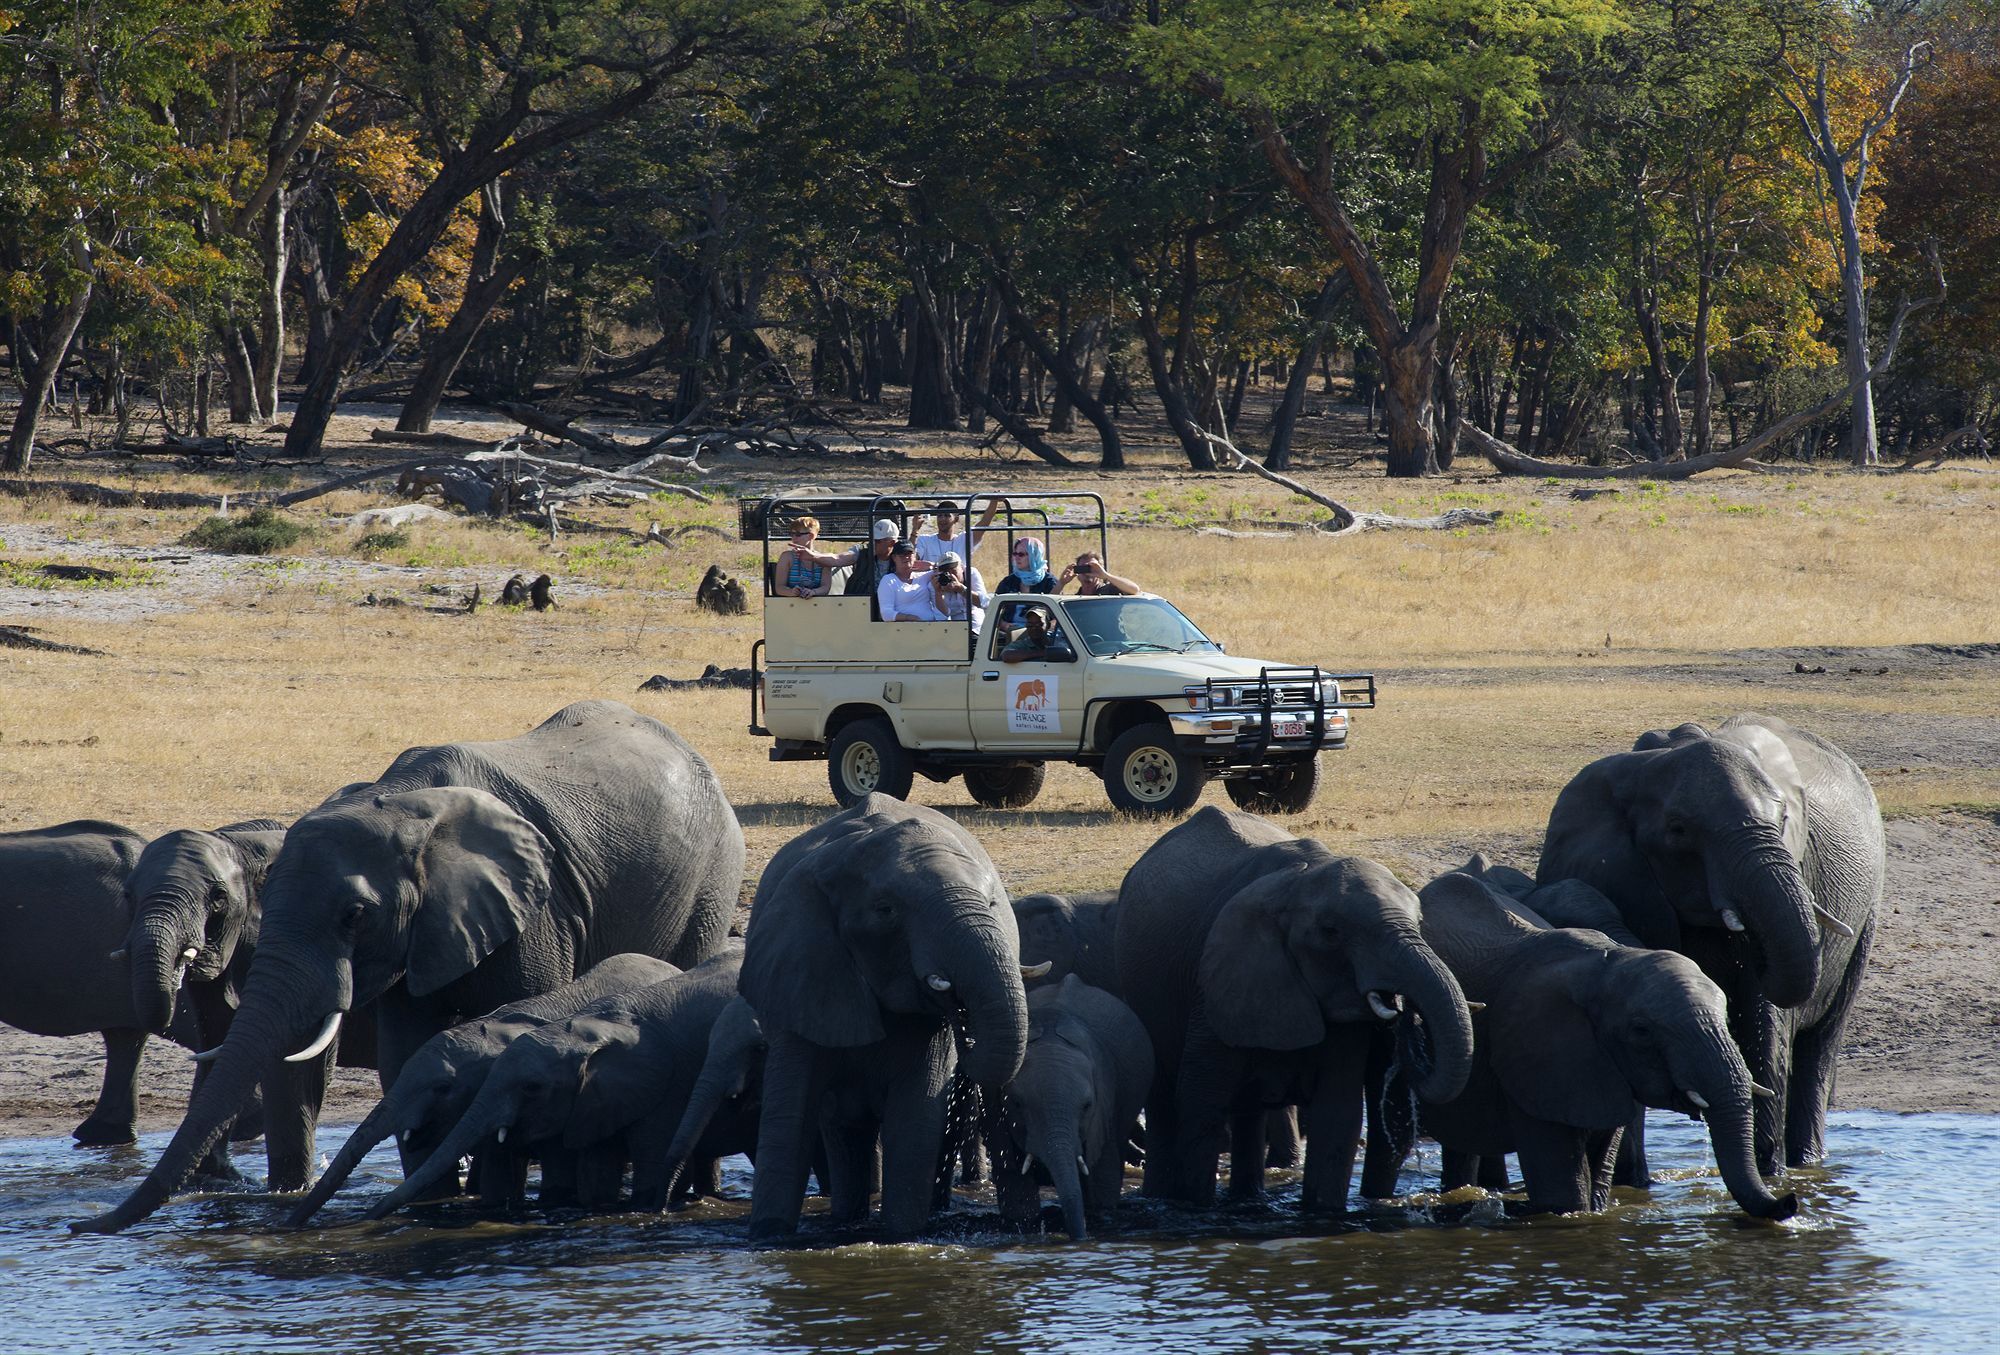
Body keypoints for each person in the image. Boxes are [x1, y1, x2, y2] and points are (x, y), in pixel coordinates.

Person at [913, 498, 1004, 565]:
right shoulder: (925, 540)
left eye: (947, 516)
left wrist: (994, 501)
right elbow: (910, 559)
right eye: (939, 515)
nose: (942, 519)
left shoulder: (964, 540)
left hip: (958, 587)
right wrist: (915, 530)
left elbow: (985, 521)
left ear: (956, 519)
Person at [877, 540, 945, 621]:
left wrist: (933, 565)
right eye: (901, 555)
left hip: (929, 627)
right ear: (894, 558)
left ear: (915, 556)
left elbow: (945, 571)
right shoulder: (888, 581)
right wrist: (910, 618)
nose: (906, 557)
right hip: (903, 629)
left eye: (909, 554)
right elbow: (886, 614)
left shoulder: (923, 576)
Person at [774, 516, 832, 598]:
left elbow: (826, 588)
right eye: (792, 534)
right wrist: (791, 592)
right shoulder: (787, 557)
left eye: (798, 534)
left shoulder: (823, 559)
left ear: (811, 536)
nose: (793, 538)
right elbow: (779, 588)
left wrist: (813, 592)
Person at [928, 550, 987, 630]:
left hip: (978, 627)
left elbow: (983, 602)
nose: (949, 574)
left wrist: (960, 588)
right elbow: (943, 615)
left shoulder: (971, 573)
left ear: (961, 567)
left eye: (953, 569)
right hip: (955, 629)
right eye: (945, 571)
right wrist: (938, 593)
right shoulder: (936, 583)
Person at [999, 604, 1072, 662]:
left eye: (1039, 624)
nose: (1034, 628)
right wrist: (1042, 653)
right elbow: (1006, 656)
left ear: (1048, 625)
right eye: (1030, 624)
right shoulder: (1023, 643)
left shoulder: (1056, 641)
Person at [1058, 550, 1139, 597]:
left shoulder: (1110, 591)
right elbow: (1049, 609)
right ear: (1077, 570)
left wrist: (1106, 576)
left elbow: (1134, 589)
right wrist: (1061, 583)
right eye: (1082, 568)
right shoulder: (1075, 599)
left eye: (1091, 567)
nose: (1087, 572)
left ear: (1100, 569)